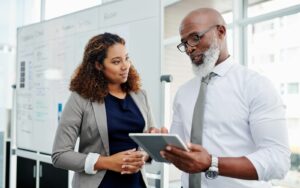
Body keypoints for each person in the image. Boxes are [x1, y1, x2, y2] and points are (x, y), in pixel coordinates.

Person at [158, 8, 291, 188]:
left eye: (195, 37)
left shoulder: (256, 85)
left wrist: (211, 163)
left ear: (221, 32)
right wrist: (164, 144)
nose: (189, 48)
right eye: (184, 42)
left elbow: (278, 161)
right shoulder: (184, 92)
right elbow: (183, 154)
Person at [52, 32, 156, 188]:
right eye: (116, 61)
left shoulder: (140, 96)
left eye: (126, 58)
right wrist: (107, 162)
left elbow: (148, 145)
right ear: (98, 65)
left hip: (136, 184)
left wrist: (147, 151)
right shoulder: (80, 98)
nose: (125, 66)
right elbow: (60, 155)